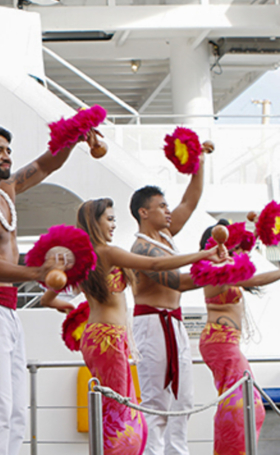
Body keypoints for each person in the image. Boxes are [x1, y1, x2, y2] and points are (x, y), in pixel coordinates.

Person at [0, 124, 87, 455]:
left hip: (7, 310)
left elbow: (44, 165)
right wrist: (37, 272)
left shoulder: (6, 192)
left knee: (15, 410)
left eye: (8, 150)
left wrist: (74, 137)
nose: (6, 156)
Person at [75, 198, 224, 455]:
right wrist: (204, 255)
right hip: (109, 338)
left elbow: (54, 292)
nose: (113, 224)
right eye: (108, 219)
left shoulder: (85, 257)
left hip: (100, 336)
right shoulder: (108, 252)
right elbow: (155, 265)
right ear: (93, 221)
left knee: (118, 409)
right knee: (122, 411)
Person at [128, 155, 207, 455]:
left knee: (183, 401)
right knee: (156, 404)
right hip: (152, 324)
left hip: (174, 323)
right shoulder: (142, 248)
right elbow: (180, 283)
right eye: (162, 206)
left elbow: (191, 199)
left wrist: (198, 160)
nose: (168, 210)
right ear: (143, 212)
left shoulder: (165, 235)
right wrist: (220, 271)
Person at [197, 221, 280, 454]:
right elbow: (253, 280)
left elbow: (246, 251)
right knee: (243, 404)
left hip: (226, 343)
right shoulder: (212, 271)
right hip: (220, 343)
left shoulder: (227, 266)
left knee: (244, 404)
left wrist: (257, 228)